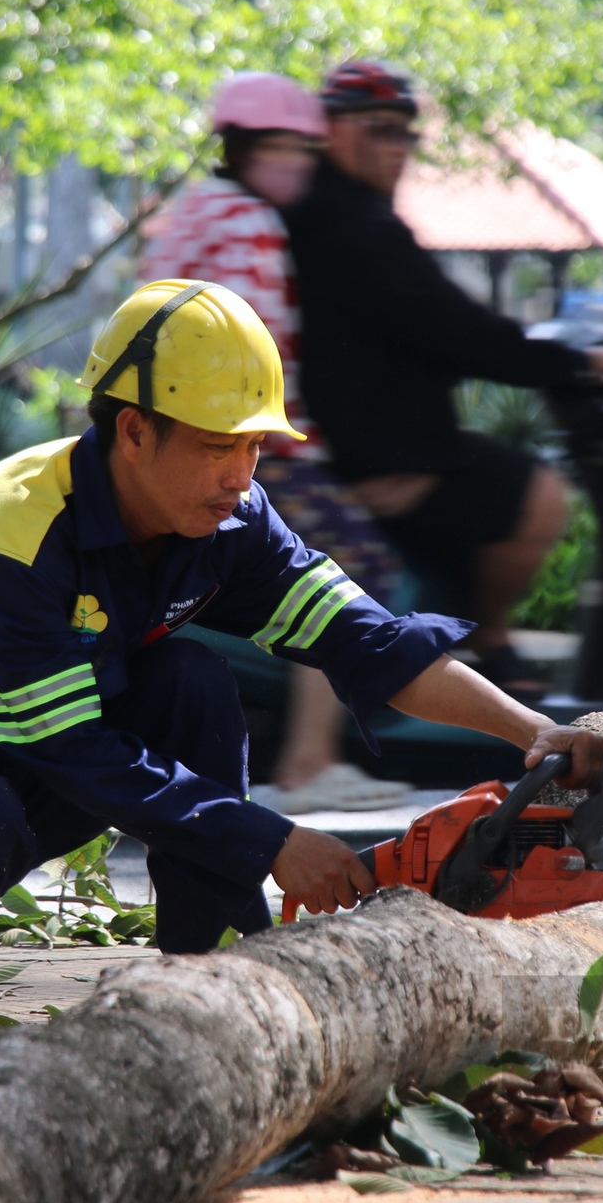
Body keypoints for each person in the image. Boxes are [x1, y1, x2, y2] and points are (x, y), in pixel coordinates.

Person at [0, 278, 603, 1064]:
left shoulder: (229, 518)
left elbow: (368, 642)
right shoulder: (8, 537)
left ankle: (211, 969)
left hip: (27, 764)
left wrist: (533, 733)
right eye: (218, 446)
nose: (240, 476)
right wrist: (274, 840)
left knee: (191, 681)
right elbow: (68, 749)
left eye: (253, 446)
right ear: (133, 430)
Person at [283, 60, 603, 700]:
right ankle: (490, 641)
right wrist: (579, 364)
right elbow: (455, 329)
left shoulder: (336, 215)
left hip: (372, 444)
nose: (394, 147)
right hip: (382, 460)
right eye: (375, 128)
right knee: (543, 496)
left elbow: (425, 329)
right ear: (329, 130)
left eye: (403, 133)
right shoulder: (352, 226)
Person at [139, 73, 410, 815]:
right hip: (241, 432)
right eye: (283, 151)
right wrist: (297, 435)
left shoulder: (192, 210)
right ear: (246, 151)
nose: (296, 167)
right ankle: (310, 761)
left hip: (166, 428)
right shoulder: (253, 223)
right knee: (352, 568)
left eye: (304, 152)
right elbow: (258, 342)